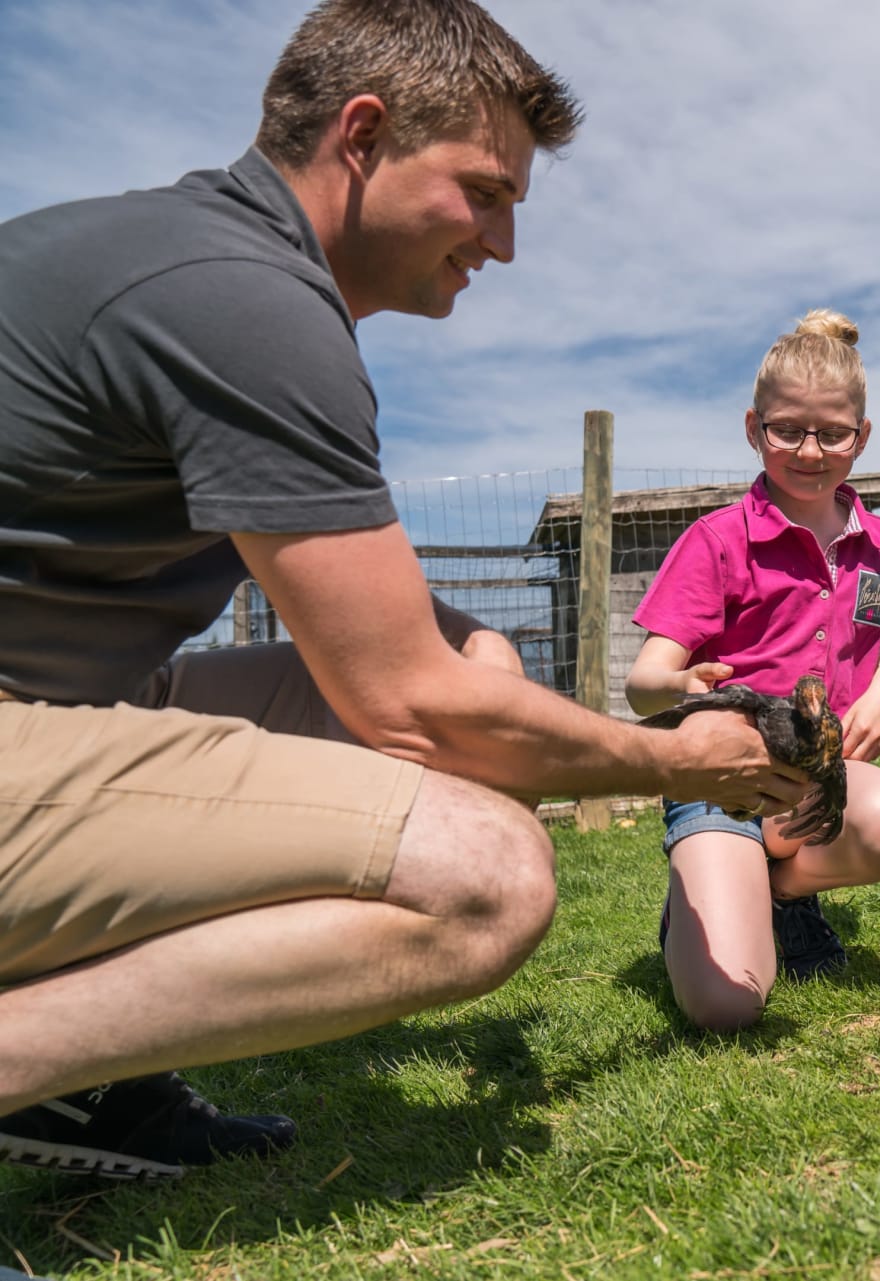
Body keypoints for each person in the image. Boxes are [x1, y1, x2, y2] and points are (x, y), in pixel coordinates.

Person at [0, 0, 812, 1181]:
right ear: (364, 135)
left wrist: (474, 672)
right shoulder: (246, 304)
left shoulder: (187, 259)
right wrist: (678, 762)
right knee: (485, 879)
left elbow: (416, 662)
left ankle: (81, 1082)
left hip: (51, 696)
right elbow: (413, 709)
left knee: (468, 672)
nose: (503, 244)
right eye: (484, 192)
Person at [625, 310, 880, 1031]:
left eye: (833, 433)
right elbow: (642, 684)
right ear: (753, 428)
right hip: (722, 783)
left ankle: (781, 896)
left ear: (862, 436)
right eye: (787, 429)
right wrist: (683, 686)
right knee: (726, 1006)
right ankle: (702, 897)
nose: (810, 450)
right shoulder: (717, 540)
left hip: (813, 781)